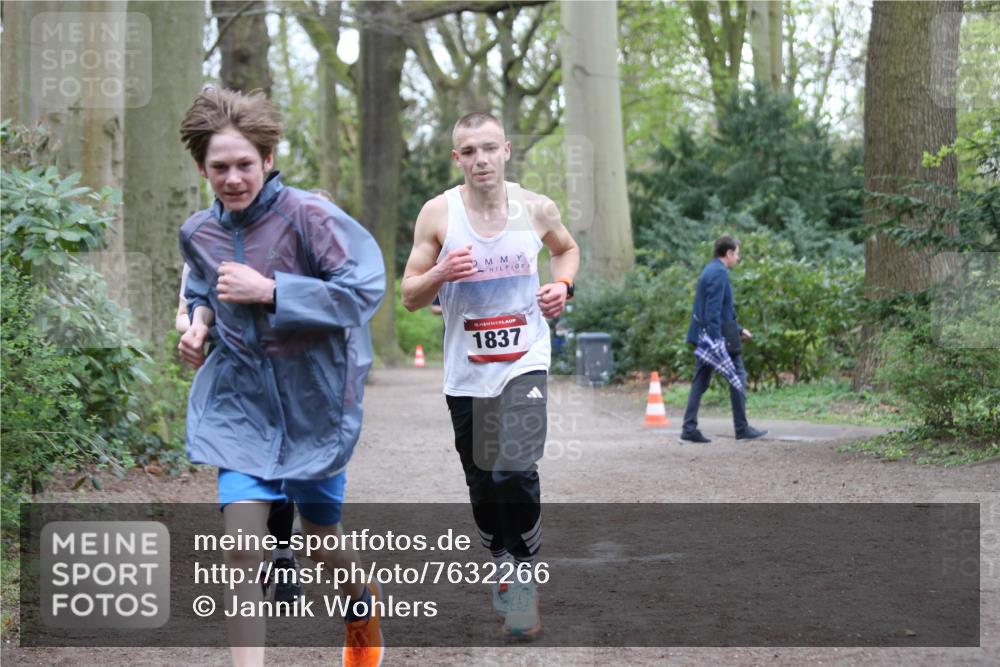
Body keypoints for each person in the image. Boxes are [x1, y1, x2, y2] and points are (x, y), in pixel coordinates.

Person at [176, 87, 386, 667]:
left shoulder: (309, 216)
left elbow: (362, 291)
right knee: (242, 549)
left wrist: (270, 291)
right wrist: (198, 325)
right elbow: (200, 289)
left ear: (268, 159)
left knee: (322, 542)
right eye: (220, 167)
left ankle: (360, 609)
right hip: (242, 407)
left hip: (314, 403)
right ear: (202, 169)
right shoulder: (199, 233)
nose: (234, 178)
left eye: (245, 164)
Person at [401, 111, 580, 639]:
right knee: (482, 486)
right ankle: (501, 559)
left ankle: (523, 583)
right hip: (467, 374)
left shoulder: (536, 208)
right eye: (468, 151)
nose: (480, 159)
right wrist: (439, 273)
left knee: (514, 470)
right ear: (457, 159)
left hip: (525, 360)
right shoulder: (438, 214)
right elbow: (411, 296)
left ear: (505, 150)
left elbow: (565, 250)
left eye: (488, 148)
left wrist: (562, 287)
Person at [176, 265, 305, 607]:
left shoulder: (288, 242)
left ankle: (282, 556)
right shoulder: (203, 251)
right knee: (243, 474)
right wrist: (196, 330)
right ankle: (253, 557)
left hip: (286, 381)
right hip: (232, 386)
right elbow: (184, 314)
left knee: (281, 474)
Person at [680, 235, 768, 444]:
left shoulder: (710, 269)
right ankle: (742, 428)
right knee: (738, 376)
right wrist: (716, 342)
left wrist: (738, 329)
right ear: (728, 253)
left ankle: (689, 427)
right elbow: (713, 311)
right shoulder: (719, 273)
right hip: (716, 339)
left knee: (700, 381)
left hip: (709, 335)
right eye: (737, 253)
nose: (738, 257)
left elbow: (718, 310)